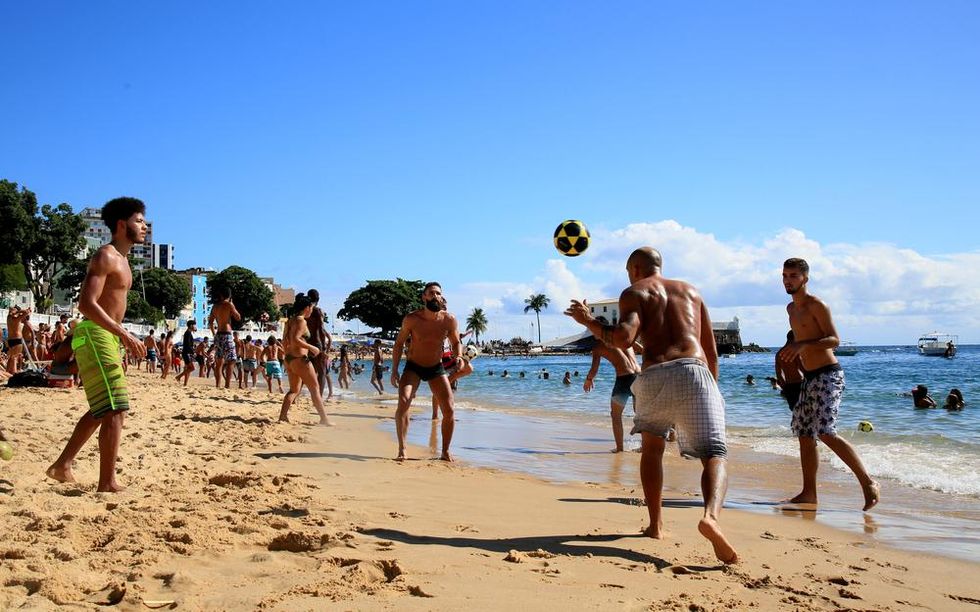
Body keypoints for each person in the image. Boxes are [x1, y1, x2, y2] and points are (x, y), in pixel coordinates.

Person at [565, 247, 738, 564]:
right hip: (694, 370)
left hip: (654, 374)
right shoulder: (691, 292)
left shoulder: (634, 292)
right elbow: (711, 351)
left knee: (653, 449)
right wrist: (712, 386)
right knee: (714, 452)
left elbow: (623, 338)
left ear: (634, 269)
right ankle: (710, 517)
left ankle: (656, 525)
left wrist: (588, 320)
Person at [46, 197, 148, 492]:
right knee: (116, 409)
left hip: (107, 335)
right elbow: (86, 305)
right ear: (121, 224)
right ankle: (107, 483)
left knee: (103, 408)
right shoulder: (106, 256)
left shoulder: (125, 261)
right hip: (95, 334)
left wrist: (121, 334)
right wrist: (126, 335)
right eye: (138, 221)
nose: (143, 227)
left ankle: (62, 465)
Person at [781, 257, 879, 511]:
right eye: (784, 276)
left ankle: (868, 482)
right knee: (804, 434)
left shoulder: (817, 305)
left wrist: (803, 345)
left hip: (828, 375)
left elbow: (834, 339)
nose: (787, 281)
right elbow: (800, 344)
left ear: (805, 278)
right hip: (809, 378)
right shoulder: (790, 309)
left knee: (825, 431)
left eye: (793, 276)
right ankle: (809, 493)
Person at [391, 282, 462, 461]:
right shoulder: (412, 319)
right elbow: (399, 343)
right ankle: (402, 449)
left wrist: (459, 356)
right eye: (431, 293)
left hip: (435, 368)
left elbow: (455, 342)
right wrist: (394, 370)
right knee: (404, 401)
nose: (435, 296)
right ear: (424, 297)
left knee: (450, 410)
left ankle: (445, 452)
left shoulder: (449, 319)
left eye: (438, 293)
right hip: (413, 366)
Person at [583, 330, 641, 453]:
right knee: (641, 414)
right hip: (639, 376)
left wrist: (588, 379)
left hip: (624, 379)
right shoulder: (623, 338)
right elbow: (643, 349)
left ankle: (620, 448)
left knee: (615, 415)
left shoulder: (598, 348)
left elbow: (594, 370)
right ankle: (646, 445)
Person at [278, 294, 331, 425]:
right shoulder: (301, 321)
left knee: (294, 390)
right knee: (315, 388)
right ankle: (324, 419)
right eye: (311, 308)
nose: (312, 310)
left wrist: (287, 356)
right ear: (307, 307)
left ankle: (283, 416)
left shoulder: (290, 320)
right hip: (300, 359)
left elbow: (285, 340)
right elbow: (296, 339)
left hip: (290, 359)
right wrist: (312, 348)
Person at [208, 286, 241, 388]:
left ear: (221, 295)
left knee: (219, 361)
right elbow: (238, 317)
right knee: (231, 360)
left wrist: (214, 333)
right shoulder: (229, 304)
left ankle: (218, 384)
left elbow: (210, 322)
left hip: (218, 334)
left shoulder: (215, 306)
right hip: (227, 334)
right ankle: (227, 385)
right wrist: (233, 305)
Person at [306, 289, 334, 400]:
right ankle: (319, 397)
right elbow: (321, 330)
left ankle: (297, 395)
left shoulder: (304, 310)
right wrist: (324, 350)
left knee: (307, 372)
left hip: (307, 344)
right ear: (318, 299)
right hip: (317, 344)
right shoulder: (318, 311)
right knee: (322, 373)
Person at [775, 330, 804, 409]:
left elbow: (779, 374)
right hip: (800, 384)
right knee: (806, 413)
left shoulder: (778, 354)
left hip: (789, 385)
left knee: (795, 412)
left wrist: (785, 388)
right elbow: (803, 369)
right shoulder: (794, 352)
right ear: (795, 338)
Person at [4, 306, 31, 374]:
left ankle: (7, 372)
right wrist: (19, 311)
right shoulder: (17, 319)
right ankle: (14, 373)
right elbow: (26, 312)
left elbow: (25, 313)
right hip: (17, 339)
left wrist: (15, 311)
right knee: (15, 358)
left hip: (10, 340)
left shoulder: (8, 318)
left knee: (11, 357)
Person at [176, 320, 197, 386]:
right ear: (191, 325)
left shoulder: (189, 333)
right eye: (194, 325)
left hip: (186, 352)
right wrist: (193, 352)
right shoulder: (188, 333)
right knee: (192, 368)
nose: (195, 326)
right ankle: (179, 377)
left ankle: (185, 383)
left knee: (188, 368)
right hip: (187, 353)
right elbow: (188, 344)